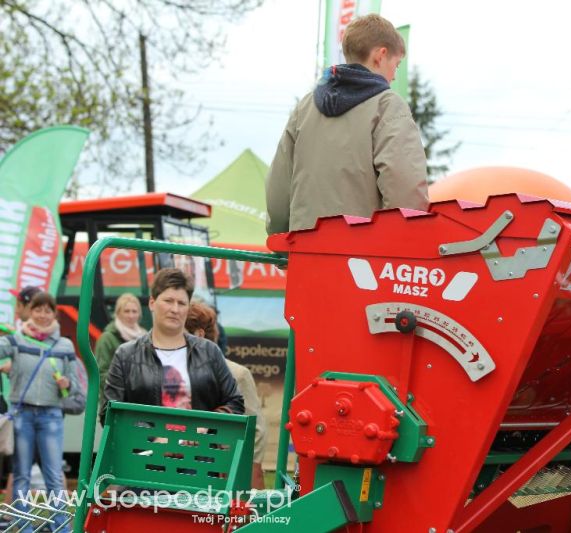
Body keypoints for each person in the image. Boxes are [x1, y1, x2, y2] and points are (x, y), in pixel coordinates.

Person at [266, 13, 428, 235]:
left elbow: (279, 185)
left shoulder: (305, 106)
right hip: (362, 258)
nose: (393, 76)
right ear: (380, 56)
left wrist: (281, 237)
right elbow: (405, 190)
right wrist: (405, 241)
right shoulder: (387, 105)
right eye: (396, 65)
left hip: (304, 252)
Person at [102, 268, 243, 422]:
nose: (175, 309)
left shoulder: (209, 351)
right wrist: (152, 435)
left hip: (200, 445)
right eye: (168, 301)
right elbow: (108, 414)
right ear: (152, 303)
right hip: (145, 446)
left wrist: (204, 427)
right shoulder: (126, 355)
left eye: (181, 303)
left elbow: (235, 403)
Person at [0, 292, 76, 531]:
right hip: (22, 414)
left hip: (51, 416)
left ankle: (61, 527)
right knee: (21, 473)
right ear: (29, 312)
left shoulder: (64, 345)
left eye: (47, 310)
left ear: (54, 314)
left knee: (54, 476)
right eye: (37, 310)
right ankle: (24, 526)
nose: (42, 315)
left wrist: (67, 384)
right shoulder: (17, 339)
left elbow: (75, 381)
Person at [185, 301, 267, 489]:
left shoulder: (236, 374)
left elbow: (255, 433)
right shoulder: (168, 369)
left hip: (212, 475)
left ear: (199, 334)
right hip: (190, 472)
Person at [95, 293, 146, 401]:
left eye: (134, 311)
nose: (131, 316)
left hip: (141, 404)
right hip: (114, 404)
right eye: (126, 311)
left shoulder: (146, 338)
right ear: (118, 313)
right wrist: (129, 387)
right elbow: (101, 374)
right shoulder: (106, 338)